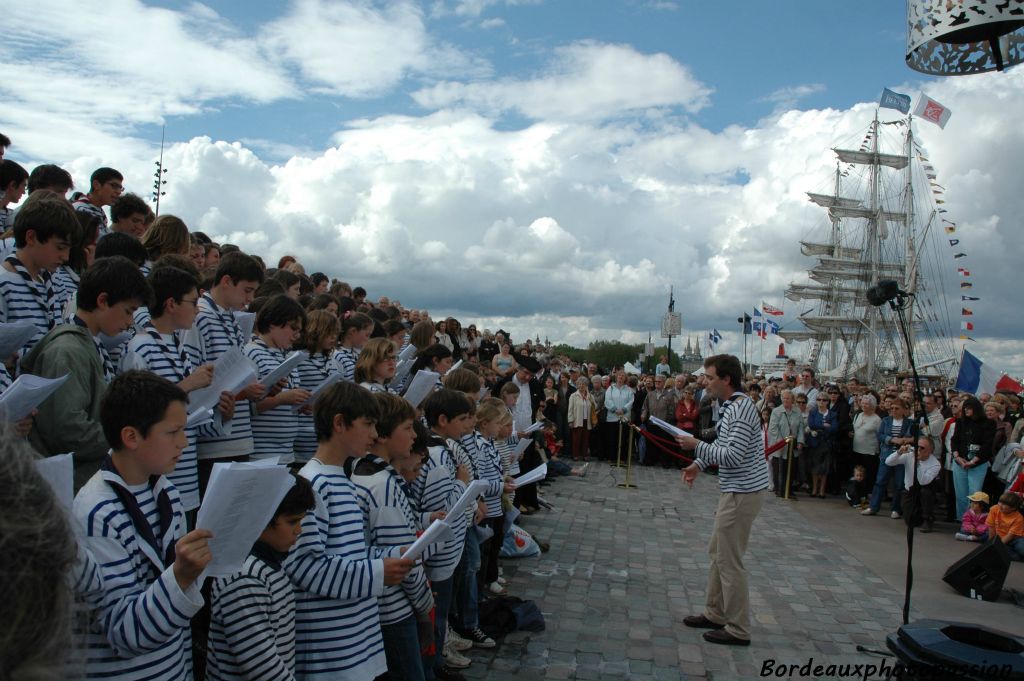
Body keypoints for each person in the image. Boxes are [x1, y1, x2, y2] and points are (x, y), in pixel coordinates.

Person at [73, 371, 213, 678]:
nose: (184, 442)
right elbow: (122, 632)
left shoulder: (167, 493)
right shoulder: (97, 513)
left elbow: (177, 619)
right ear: (132, 437)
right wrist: (180, 576)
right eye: (173, 432)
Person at [284, 381, 414, 680]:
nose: (373, 434)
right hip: (329, 647)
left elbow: (351, 552)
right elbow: (302, 565)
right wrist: (378, 572)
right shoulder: (313, 484)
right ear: (339, 423)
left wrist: (394, 555)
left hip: (355, 636)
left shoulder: (341, 478)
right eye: (367, 424)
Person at [23, 256, 150, 488]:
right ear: (103, 301)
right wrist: (124, 438)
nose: (130, 322)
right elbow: (68, 430)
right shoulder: (67, 350)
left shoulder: (90, 343)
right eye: (128, 311)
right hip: (68, 485)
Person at [676, 354, 770, 646]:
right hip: (735, 489)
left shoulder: (740, 409)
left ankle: (738, 628)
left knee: (729, 561)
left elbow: (733, 456)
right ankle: (715, 612)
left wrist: (696, 446)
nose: (705, 382)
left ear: (727, 379)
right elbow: (723, 445)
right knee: (717, 553)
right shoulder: (730, 406)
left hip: (742, 493)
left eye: (710, 377)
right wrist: (698, 463)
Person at [349, 393, 435, 681]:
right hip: (393, 610)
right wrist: (425, 607)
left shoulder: (366, 475)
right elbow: (402, 559)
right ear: (382, 435)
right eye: (408, 428)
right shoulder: (383, 486)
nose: (414, 437)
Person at [206, 473, 315, 680]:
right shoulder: (243, 578)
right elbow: (262, 668)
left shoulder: (269, 565)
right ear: (262, 517)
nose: (299, 530)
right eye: (292, 522)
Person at [409, 389, 474, 681]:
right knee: (435, 616)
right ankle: (434, 666)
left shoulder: (441, 449)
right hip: (440, 556)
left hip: (447, 551)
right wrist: (463, 484)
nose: (468, 424)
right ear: (443, 420)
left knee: (441, 613)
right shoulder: (436, 457)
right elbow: (441, 512)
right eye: (463, 419)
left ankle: (438, 657)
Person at [187, 251, 265, 488]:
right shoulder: (200, 316)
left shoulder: (232, 318)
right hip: (212, 442)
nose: (249, 298)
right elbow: (195, 377)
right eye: (247, 290)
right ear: (226, 281)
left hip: (237, 434)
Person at [0, 191, 78, 356]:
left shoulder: (48, 283)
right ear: (31, 237)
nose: (65, 257)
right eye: (60, 247)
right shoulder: (3, 282)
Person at [245, 295, 310, 464]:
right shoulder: (252, 352)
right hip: (261, 453)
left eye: (299, 331)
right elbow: (248, 407)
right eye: (293, 328)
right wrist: (280, 400)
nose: (296, 335)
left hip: (287, 452)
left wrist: (301, 404)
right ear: (273, 322)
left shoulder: (289, 357)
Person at [862, 397, 916, 519]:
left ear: (903, 410)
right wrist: (891, 439)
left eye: (897, 408)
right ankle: (874, 506)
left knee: (899, 483)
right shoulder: (886, 420)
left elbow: (918, 436)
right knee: (880, 481)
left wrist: (906, 440)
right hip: (887, 454)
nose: (894, 411)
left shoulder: (909, 423)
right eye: (892, 408)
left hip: (902, 456)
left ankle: (896, 508)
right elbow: (880, 435)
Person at [950, 396, 996, 521]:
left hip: (978, 463)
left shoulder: (988, 423)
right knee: (960, 495)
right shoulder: (960, 422)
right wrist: (957, 457)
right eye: (964, 408)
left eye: (968, 408)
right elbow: (954, 440)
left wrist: (974, 460)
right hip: (960, 462)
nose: (966, 410)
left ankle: (974, 520)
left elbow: (987, 444)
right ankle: (962, 520)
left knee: (975, 493)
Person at [886, 436, 942, 532]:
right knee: (910, 521)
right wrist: (899, 452)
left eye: (922, 448)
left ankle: (928, 519)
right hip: (910, 490)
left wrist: (918, 464)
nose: (919, 449)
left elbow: (923, 481)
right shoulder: (910, 455)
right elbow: (888, 462)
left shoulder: (935, 464)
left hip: (924, 488)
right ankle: (918, 514)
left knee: (926, 493)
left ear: (930, 451)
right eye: (917, 446)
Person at [767, 389, 803, 497]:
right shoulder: (776, 411)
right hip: (780, 445)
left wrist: (801, 441)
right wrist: (781, 442)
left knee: (791, 468)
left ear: (792, 399)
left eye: (788, 398)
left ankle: (789, 489)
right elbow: (773, 429)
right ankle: (779, 489)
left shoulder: (797, 411)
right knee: (779, 468)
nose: (785, 400)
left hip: (793, 444)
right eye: (784, 398)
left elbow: (801, 427)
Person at [73, 167, 124, 236]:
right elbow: (100, 241)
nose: (118, 192)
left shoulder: (98, 211)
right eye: (114, 186)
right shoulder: (81, 209)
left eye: (120, 188)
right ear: (96, 185)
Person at [805, 391, 837, 499]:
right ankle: (814, 489)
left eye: (824, 400)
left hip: (827, 443)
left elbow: (834, 428)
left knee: (825, 468)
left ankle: (822, 490)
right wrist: (824, 425)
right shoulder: (813, 412)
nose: (821, 402)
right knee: (815, 467)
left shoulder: (832, 414)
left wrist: (821, 428)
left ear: (828, 402)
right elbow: (812, 424)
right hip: (815, 443)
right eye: (819, 399)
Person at [331, 311, 373, 382]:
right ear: (352, 332)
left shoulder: (356, 352)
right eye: (367, 335)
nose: (368, 339)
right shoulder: (337, 355)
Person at [987, 492, 1024, 561]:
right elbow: (991, 527)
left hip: (1016, 539)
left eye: (1004, 504)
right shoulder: (994, 509)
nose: (1000, 505)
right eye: (1000, 502)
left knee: (1022, 549)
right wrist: (991, 545)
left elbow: (1010, 536)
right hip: (1000, 538)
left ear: (1013, 508)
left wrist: (996, 546)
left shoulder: (1019, 518)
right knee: (1013, 557)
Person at [567, 376, 596, 461]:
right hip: (577, 420)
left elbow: (595, 406)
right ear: (577, 385)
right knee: (576, 439)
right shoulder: (573, 396)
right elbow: (570, 409)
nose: (581, 386)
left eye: (583, 384)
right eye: (579, 384)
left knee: (586, 439)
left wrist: (590, 399)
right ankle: (575, 455)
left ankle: (585, 455)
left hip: (587, 421)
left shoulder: (590, 396)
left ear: (586, 385)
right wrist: (570, 420)